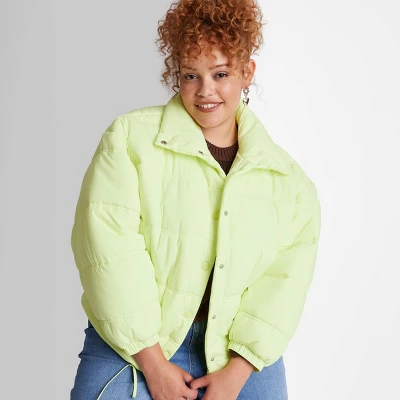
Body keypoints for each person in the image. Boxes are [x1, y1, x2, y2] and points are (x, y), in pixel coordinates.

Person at [69, 0, 321, 399]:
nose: (205, 91)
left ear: (247, 72)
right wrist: (153, 364)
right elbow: (108, 251)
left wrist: (238, 371)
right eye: (191, 75)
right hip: (132, 342)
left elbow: (284, 283)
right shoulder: (130, 139)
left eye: (220, 73)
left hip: (241, 354)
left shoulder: (290, 183)